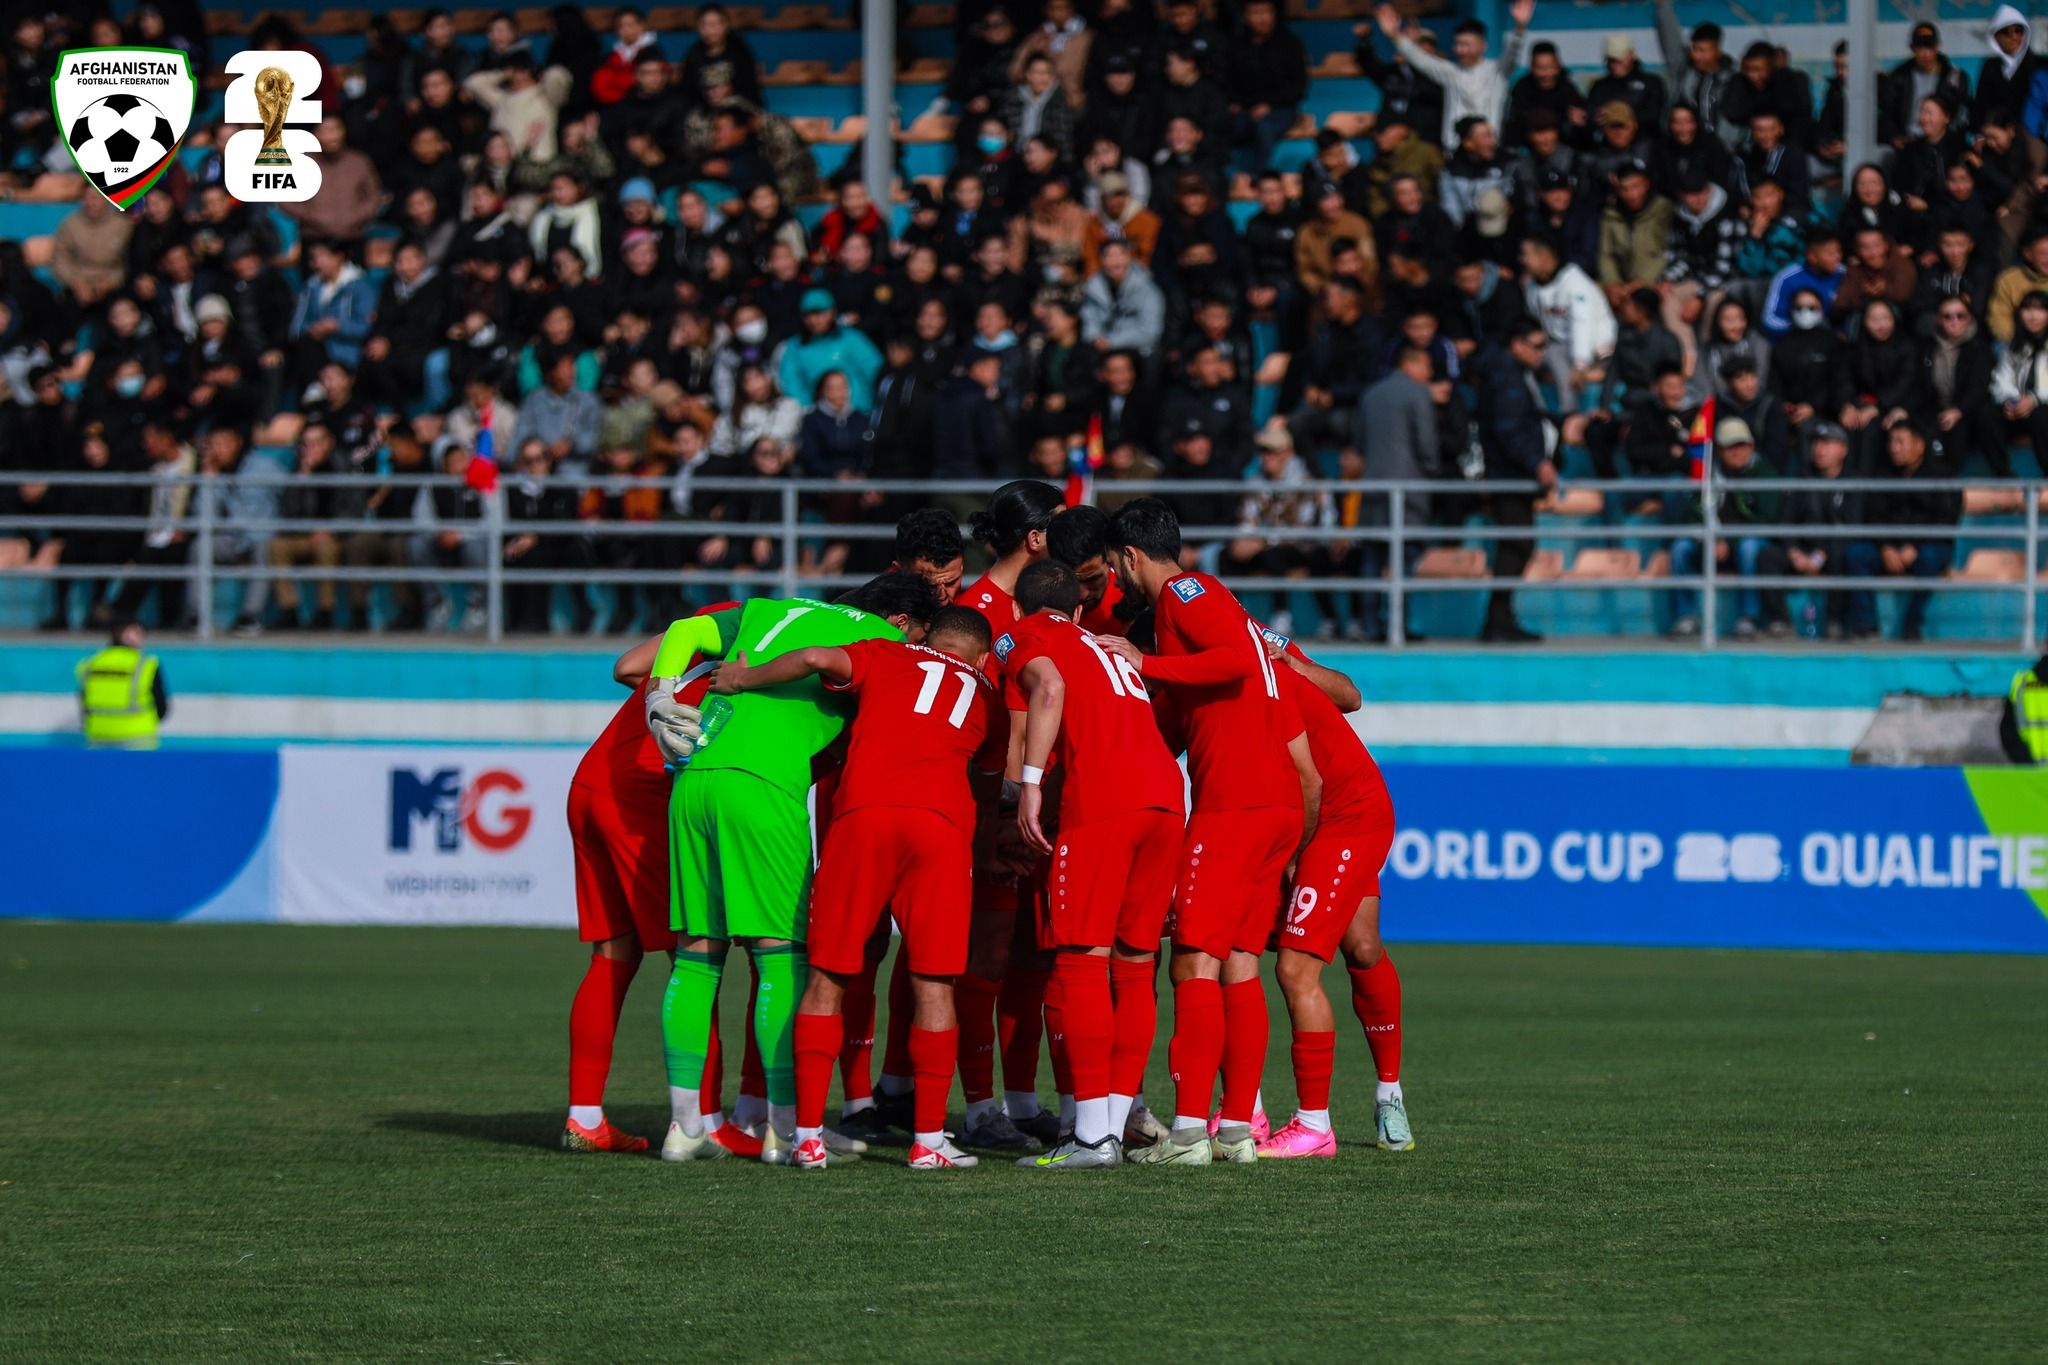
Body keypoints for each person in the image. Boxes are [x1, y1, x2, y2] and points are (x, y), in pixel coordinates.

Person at [641, 573, 939, 1164]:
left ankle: (685, 1127)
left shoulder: (766, 608)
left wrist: (660, 695)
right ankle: (783, 1129)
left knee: (697, 955)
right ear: (902, 621)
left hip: (694, 775)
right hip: (765, 789)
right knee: (780, 956)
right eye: (922, 635)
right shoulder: (883, 644)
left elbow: (685, 630)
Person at [711, 606, 1006, 1171]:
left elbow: (816, 657)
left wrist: (742, 677)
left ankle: (807, 1138)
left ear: (929, 636)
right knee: (934, 983)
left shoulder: (887, 652)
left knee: (828, 976)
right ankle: (927, 1141)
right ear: (982, 658)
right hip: (941, 828)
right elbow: (990, 787)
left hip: (865, 816)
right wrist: (986, 847)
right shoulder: (987, 697)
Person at [1102, 497, 1313, 1166]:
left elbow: (1233, 663)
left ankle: (1189, 1131)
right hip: (1272, 800)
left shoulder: (1186, 594)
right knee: (1240, 963)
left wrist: (1144, 662)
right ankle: (1235, 1131)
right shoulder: (1211, 601)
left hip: (1237, 804)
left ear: (1130, 556)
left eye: (1113, 565)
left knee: (1193, 959)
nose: (1115, 577)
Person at [1003, 560, 1186, 1170]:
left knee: (1081, 957)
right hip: (1165, 796)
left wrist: (1029, 785)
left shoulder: (1031, 634)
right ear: (1080, 610)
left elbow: (1049, 689)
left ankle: (1089, 1139)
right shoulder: (1106, 644)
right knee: (1135, 965)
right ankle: (1107, 1128)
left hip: (1105, 801)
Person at [563, 607, 757, 1157]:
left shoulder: (723, 629)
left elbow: (628, 666)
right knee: (695, 957)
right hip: (644, 790)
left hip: (593, 778)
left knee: (612, 953)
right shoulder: (774, 653)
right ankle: (706, 1121)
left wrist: (667, 694)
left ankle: (585, 1117)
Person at [1256, 635, 1407, 1157]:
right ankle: (1245, 1110)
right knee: (1362, 947)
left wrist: (1293, 663)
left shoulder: (1251, 642)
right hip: (1325, 808)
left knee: (1295, 968)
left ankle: (1325, 1119)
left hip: (1342, 815)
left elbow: (1349, 694)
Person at [1469, 321, 1561, 643]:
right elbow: (1509, 429)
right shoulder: (1507, 377)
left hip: (1510, 475)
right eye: (1536, 346)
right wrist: (1537, 462)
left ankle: (1501, 619)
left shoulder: (1510, 374)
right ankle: (1498, 620)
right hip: (1509, 477)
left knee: (1517, 545)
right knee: (1516, 545)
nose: (1541, 353)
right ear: (1517, 345)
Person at [1667, 417, 1790, 639]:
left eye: (1741, 445)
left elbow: (1767, 520)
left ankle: (1748, 618)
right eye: (1730, 447)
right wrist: (1711, 539)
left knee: (1749, 547)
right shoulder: (1706, 474)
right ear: (1720, 450)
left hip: (1744, 543)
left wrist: (1729, 541)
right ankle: (1686, 616)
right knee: (1680, 547)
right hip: (1711, 542)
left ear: (1751, 446)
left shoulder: (1765, 474)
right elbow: (1692, 514)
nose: (1737, 452)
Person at [1843, 422, 1961, 641]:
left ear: (1919, 445)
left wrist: (1915, 546)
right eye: (1891, 441)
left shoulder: (1942, 475)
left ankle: (1912, 623)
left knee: (1930, 558)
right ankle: (1866, 625)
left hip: (1928, 547)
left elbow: (1945, 520)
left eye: (1900, 442)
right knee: (1856, 554)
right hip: (1889, 548)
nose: (1894, 448)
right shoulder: (1882, 475)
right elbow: (1873, 517)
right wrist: (1886, 547)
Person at [1375, 0, 1533, 148]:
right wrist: (1394, 36)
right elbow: (1420, 59)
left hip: (1490, 150)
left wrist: (1520, 27)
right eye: (1457, 44)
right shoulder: (1450, 72)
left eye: (1466, 45)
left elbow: (1513, 52)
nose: (1460, 50)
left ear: (1483, 46)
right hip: (1454, 153)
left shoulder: (1497, 71)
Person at [77, 619, 168, 747]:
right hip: (139, 739)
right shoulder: (146, 665)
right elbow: (162, 708)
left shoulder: (89, 664)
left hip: (98, 736)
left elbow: (83, 705)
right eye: (139, 633)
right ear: (126, 634)